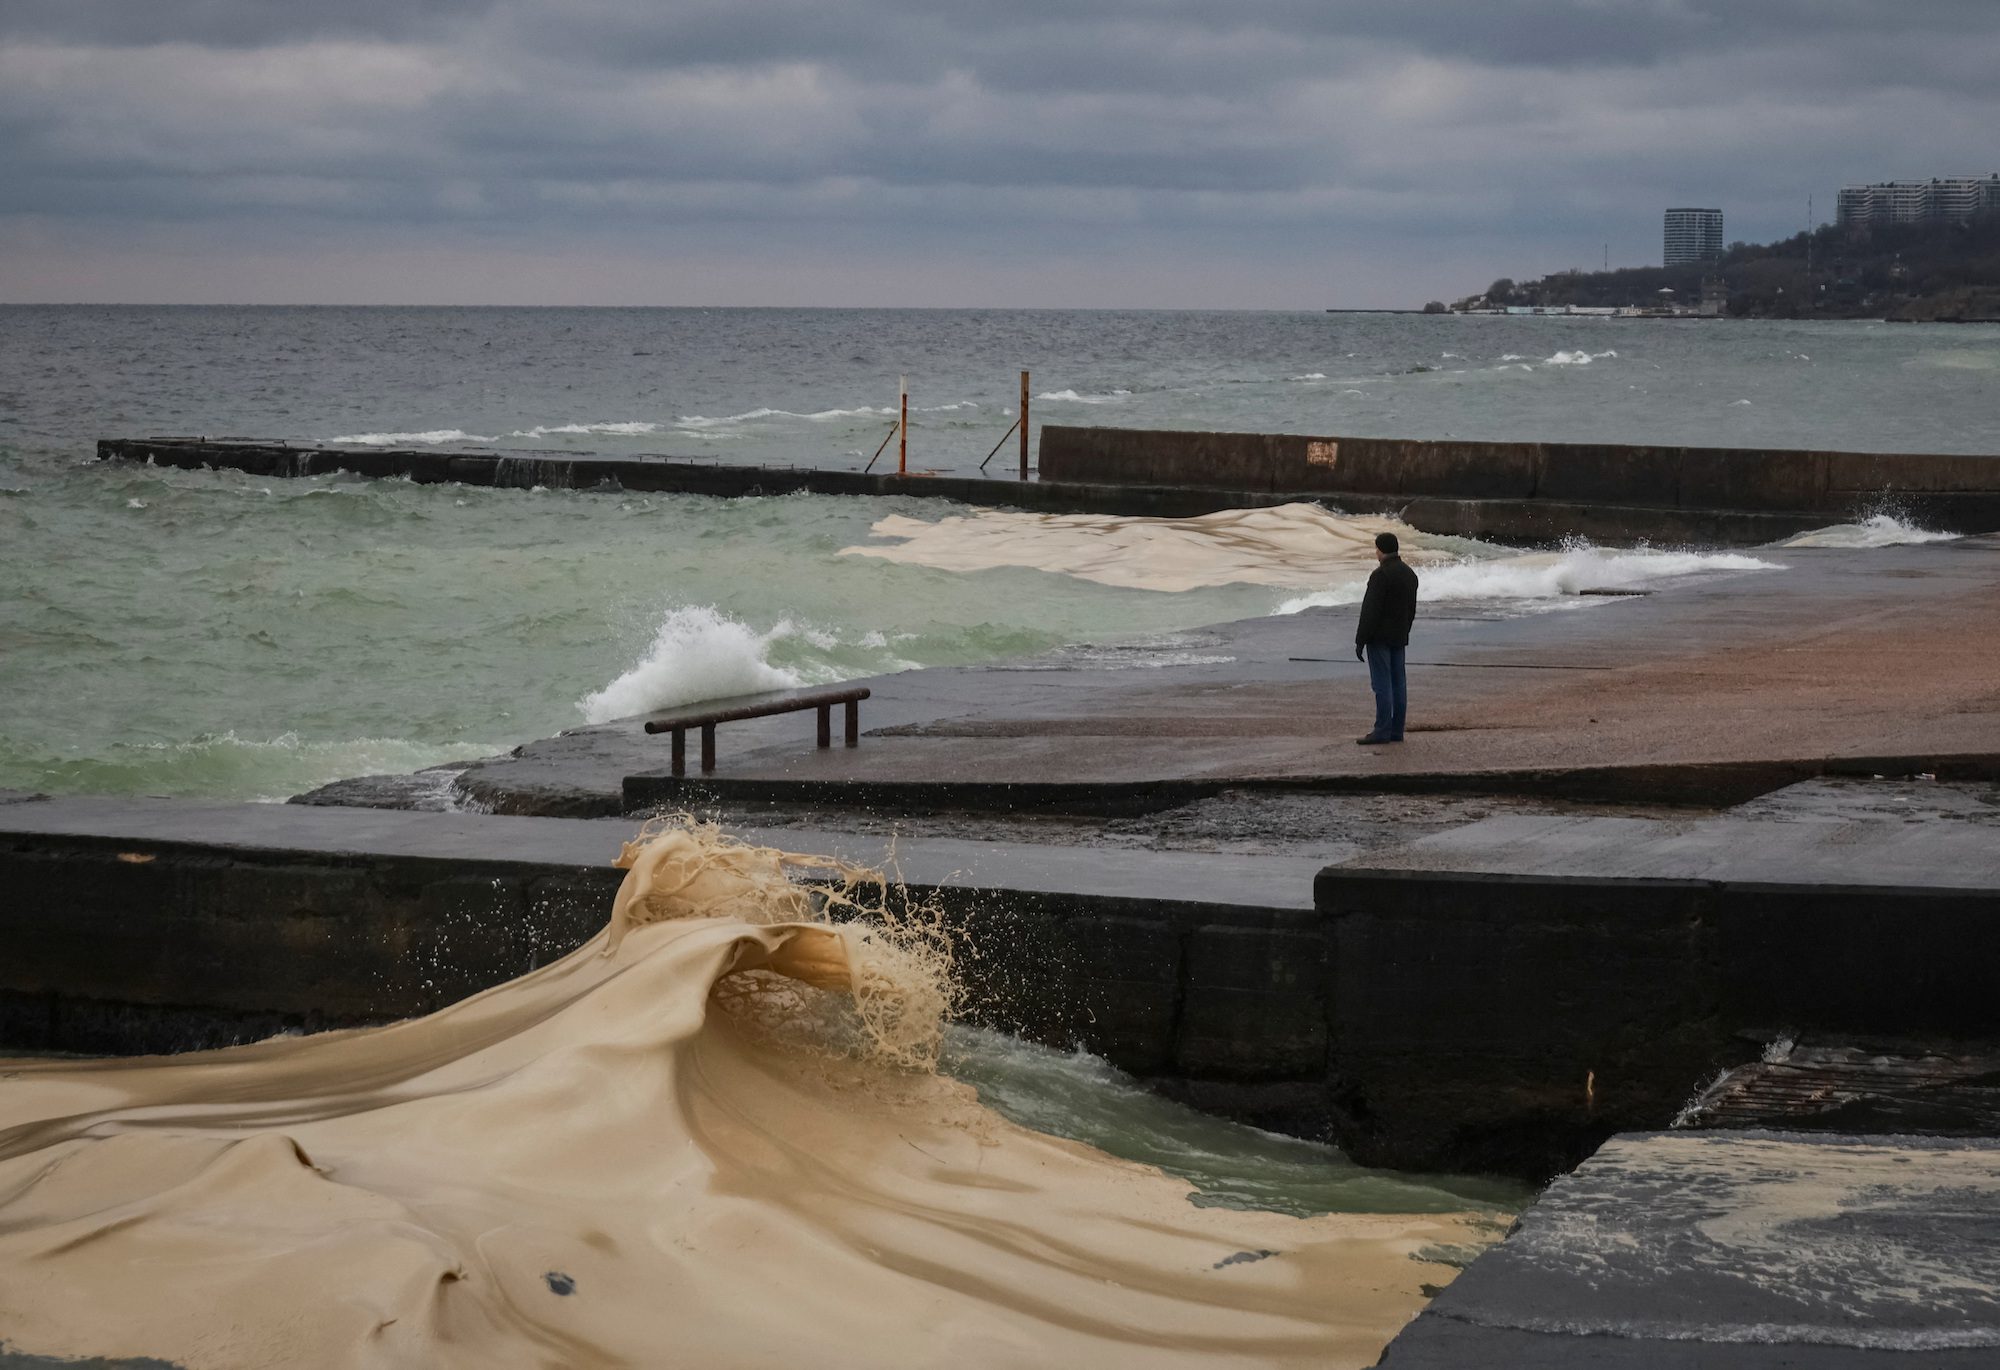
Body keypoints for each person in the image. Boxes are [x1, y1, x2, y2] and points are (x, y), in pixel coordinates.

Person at [1353, 531, 1418, 744]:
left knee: (1382, 684)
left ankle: (1381, 730)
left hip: (1379, 638)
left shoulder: (1380, 575)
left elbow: (1370, 610)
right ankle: (1396, 731)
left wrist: (1360, 640)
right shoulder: (1409, 574)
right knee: (1399, 684)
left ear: (1380, 550)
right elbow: (1411, 609)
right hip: (1399, 636)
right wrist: (1405, 631)